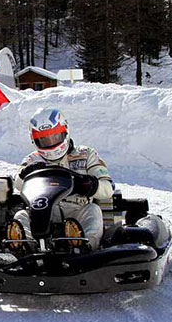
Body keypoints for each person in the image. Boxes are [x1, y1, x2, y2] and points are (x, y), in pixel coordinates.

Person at [9, 108, 113, 252]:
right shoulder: (33, 159)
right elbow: (18, 186)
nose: (50, 142)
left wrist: (90, 185)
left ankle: (84, 248)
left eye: (55, 136)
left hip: (77, 211)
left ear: (65, 131)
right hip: (44, 212)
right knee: (21, 215)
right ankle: (25, 248)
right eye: (44, 139)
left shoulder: (86, 154)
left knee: (93, 210)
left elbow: (108, 189)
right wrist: (25, 174)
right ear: (35, 140)